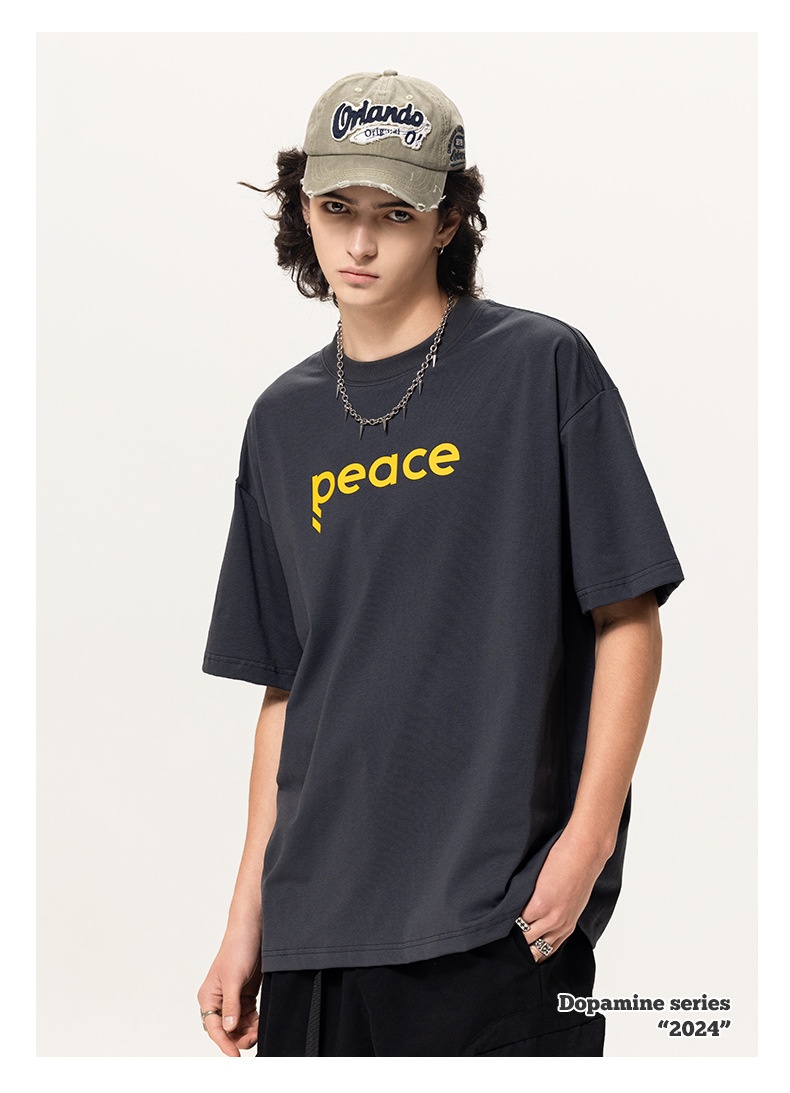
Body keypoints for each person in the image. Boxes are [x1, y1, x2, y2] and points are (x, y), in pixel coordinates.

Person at [196, 70, 684, 1057]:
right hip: (316, 923)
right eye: (337, 209)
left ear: (449, 218)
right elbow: (288, 688)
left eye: (395, 213)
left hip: (494, 915)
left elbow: (627, 616)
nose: (360, 244)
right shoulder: (282, 421)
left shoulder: (541, 368)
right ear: (302, 210)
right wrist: (247, 915)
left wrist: (587, 843)